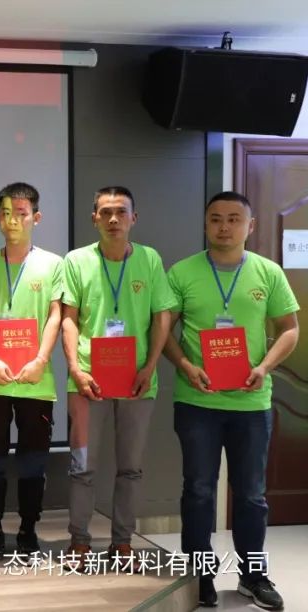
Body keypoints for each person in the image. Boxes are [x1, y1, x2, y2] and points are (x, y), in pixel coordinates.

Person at [163, 191, 298, 610]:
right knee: (199, 491)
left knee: (252, 495)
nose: (224, 227)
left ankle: (253, 576)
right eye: (216, 219)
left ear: (250, 226)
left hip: (250, 405)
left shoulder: (268, 272)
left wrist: (265, 367)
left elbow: (290, 328)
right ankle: (199, 576)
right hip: (197, 402)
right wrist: (185, 365)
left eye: (234, 219)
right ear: (205, 224)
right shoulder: (182, 272)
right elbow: (163, 332)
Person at [60, 186, 175, 566]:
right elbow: (68, 319)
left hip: (136, 381)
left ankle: (122, 543)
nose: (113, 219)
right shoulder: (76, 261)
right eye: (105, 212)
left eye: (121, 212)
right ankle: (79, 542)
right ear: (94, 218)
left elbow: (162, 316)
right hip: (87, 381)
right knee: (82, 466)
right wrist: (75, 369)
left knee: (131, 468)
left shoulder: (149, 259)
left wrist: (150, 366)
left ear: (133, 218)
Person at [0, 182, 63, 556]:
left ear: (36, 217)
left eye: (21, 214)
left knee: (32, 461)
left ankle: (28, 528)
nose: (13, 220)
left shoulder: (53, 264)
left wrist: (40, 360)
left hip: (35, 380)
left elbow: (56, 315)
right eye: (6, 213)